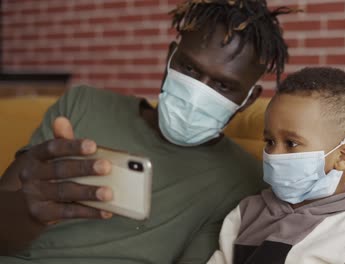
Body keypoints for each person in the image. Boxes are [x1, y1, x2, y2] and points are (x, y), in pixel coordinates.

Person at [0, 1, 294, 263]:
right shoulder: (82, 104)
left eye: (223, 86)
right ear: (170, 58)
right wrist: (27, 211)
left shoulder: (242, 180)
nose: (197, 93)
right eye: (189, 69)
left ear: (249, 99)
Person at [207, 67, 345, 264]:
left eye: (291, 143)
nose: (274, 154)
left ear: (343, 157)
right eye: (270, 141)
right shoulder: (246, 213)